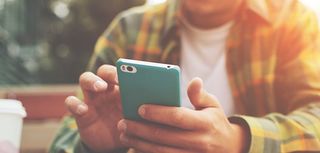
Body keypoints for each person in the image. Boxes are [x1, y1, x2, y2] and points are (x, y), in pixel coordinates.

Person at [50, 0, 320, 152]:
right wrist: (95, 148)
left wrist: (239, 140)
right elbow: (66, 139)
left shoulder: (294, 23)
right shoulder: (129, 29)